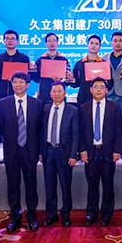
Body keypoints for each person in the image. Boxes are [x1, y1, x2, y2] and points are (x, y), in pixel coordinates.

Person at [0, 71, 44, 232]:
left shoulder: (37, 104)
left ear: (28, 85)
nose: (18, 85)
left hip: (30, 150)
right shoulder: (3, 104)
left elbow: (39, 128)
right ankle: (15, 217)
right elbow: (1, 126)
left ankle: (32, 216)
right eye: (15, 82)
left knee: (31, 184)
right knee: (13, 185)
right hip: (11, 150)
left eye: (21, 82)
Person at [79, 77, 122, 227]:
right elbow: (80, 131)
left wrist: (117, 150)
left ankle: (106, 215)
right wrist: (82, 149)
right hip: (90, 152)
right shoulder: (84, 108)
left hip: (108, 152)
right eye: (96, 87)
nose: (98, 90)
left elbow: (119, 130)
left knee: (108, 185)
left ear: (106, 90)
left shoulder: (114, 107)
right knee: (92, 185)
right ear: (90, 90)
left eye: (101, 87)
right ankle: (91, 213)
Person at [40, 81, 80, 227]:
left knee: (65, 185)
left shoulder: (72, 110)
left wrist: (73, 155)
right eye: (54, 91)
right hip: (48, 151)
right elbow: (40, 132)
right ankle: (51, 214)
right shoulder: (44, 109)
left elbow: (76, 135)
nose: (56, 94)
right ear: (50, 94)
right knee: (49, 185)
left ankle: (66, 214)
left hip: (64, 153)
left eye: (59, 91)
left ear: (65, 93)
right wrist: (40, 152)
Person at [71, 35, 112, 106]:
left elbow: (110, 84)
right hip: (83, 99)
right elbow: (76, 84)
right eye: (91, 43)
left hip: (100, 99)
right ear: (87, 45)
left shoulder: (104, 64)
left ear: (100, 47)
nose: (94, 46)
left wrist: (105, 82)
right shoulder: (80, 63)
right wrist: (72, 80)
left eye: (96, 44)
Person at [32, 33, 72, 104]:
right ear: (46, 43)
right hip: (44, 94)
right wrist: (33, 70)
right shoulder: (40, 60)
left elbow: (68, 80)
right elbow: (36, 79)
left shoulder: (64, 60)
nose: (52, 43)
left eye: (54, 40)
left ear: (57, 42)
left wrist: (61, 80)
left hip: (60, 95)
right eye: (49, 41)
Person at [0, 29, 30, 100]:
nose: (10, 41)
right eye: (7, 38)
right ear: (4, 41)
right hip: (2, 92)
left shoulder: (24, 58)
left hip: (18, 92)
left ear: (17, 41)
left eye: (13, 39)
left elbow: (27, 77)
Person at [103, 31, 122, 115]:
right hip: (108, 93)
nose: (118, 43)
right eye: (115, 41)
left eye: (120, 41)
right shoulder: (104, 58)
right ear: (111, 43)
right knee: (109, 119)